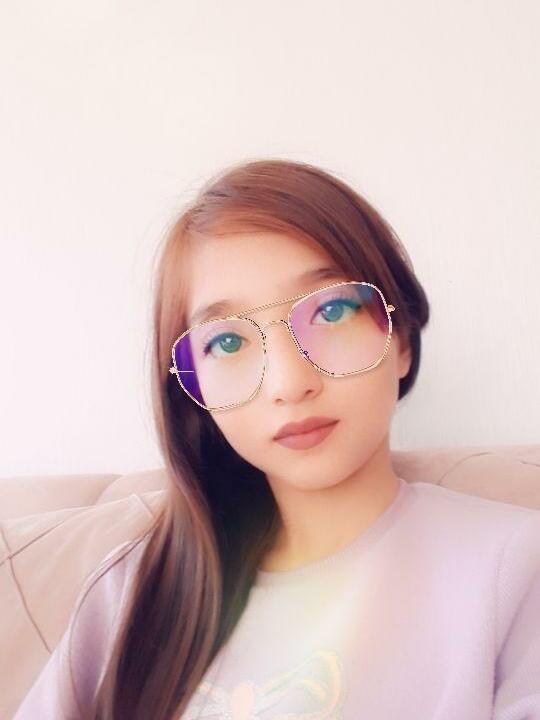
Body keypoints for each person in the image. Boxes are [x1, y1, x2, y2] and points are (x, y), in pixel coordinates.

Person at [13, 158, 540, 719]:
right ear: (193, 390)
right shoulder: (132, 593)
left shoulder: (514, 565)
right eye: (227, 343)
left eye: (331, 310)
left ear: (401, 338)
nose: (289, 384)